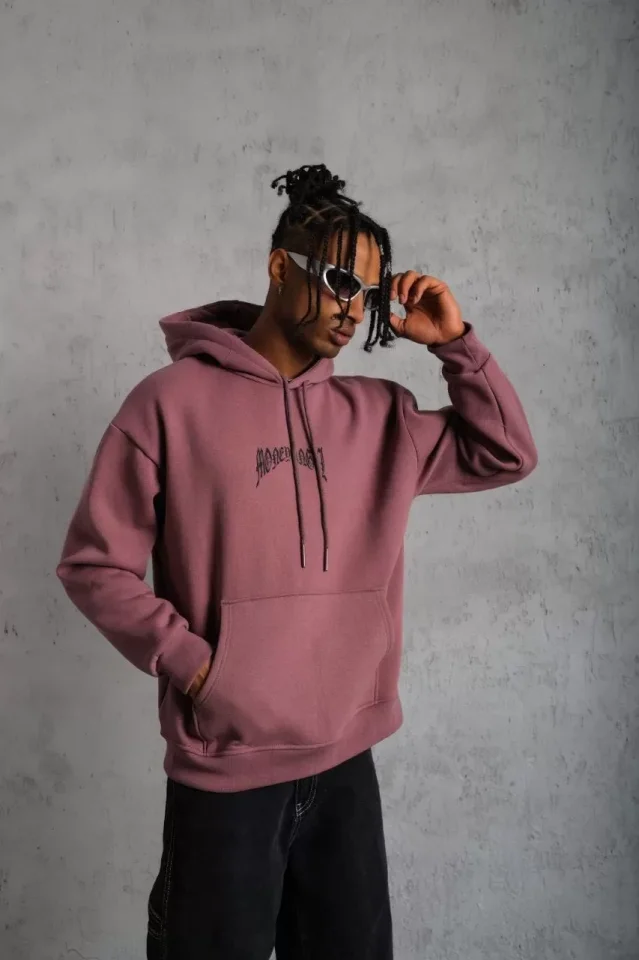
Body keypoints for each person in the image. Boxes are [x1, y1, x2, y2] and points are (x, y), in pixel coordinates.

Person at [57, 163, 538, 959]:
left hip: (347, 761)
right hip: (227, 770)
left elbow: (505, 453)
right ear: (280, 267)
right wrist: (200, 668)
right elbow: (93, 565)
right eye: (341, 280)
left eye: (368, 293)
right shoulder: (167, 404)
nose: (353, 308)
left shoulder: (380, 416)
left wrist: (456, 344)